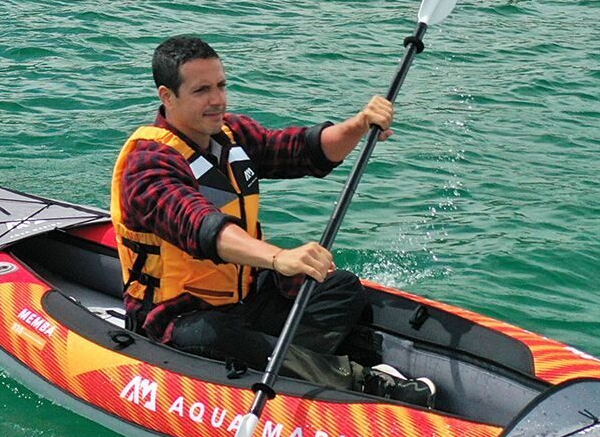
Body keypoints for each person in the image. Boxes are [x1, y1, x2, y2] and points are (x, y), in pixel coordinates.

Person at [110, 34, 435, 407]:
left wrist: (358, 126)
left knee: (340, 287)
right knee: (215, 337)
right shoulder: (148, 163)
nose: (218, 100)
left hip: (245, 298)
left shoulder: (230, 136)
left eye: (221, 85)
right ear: (167, 96)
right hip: (179, 317)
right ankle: (362, 384)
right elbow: (200, 226)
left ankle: (287, 361)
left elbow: (301, 150)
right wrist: (279, 257)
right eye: (202, 90)